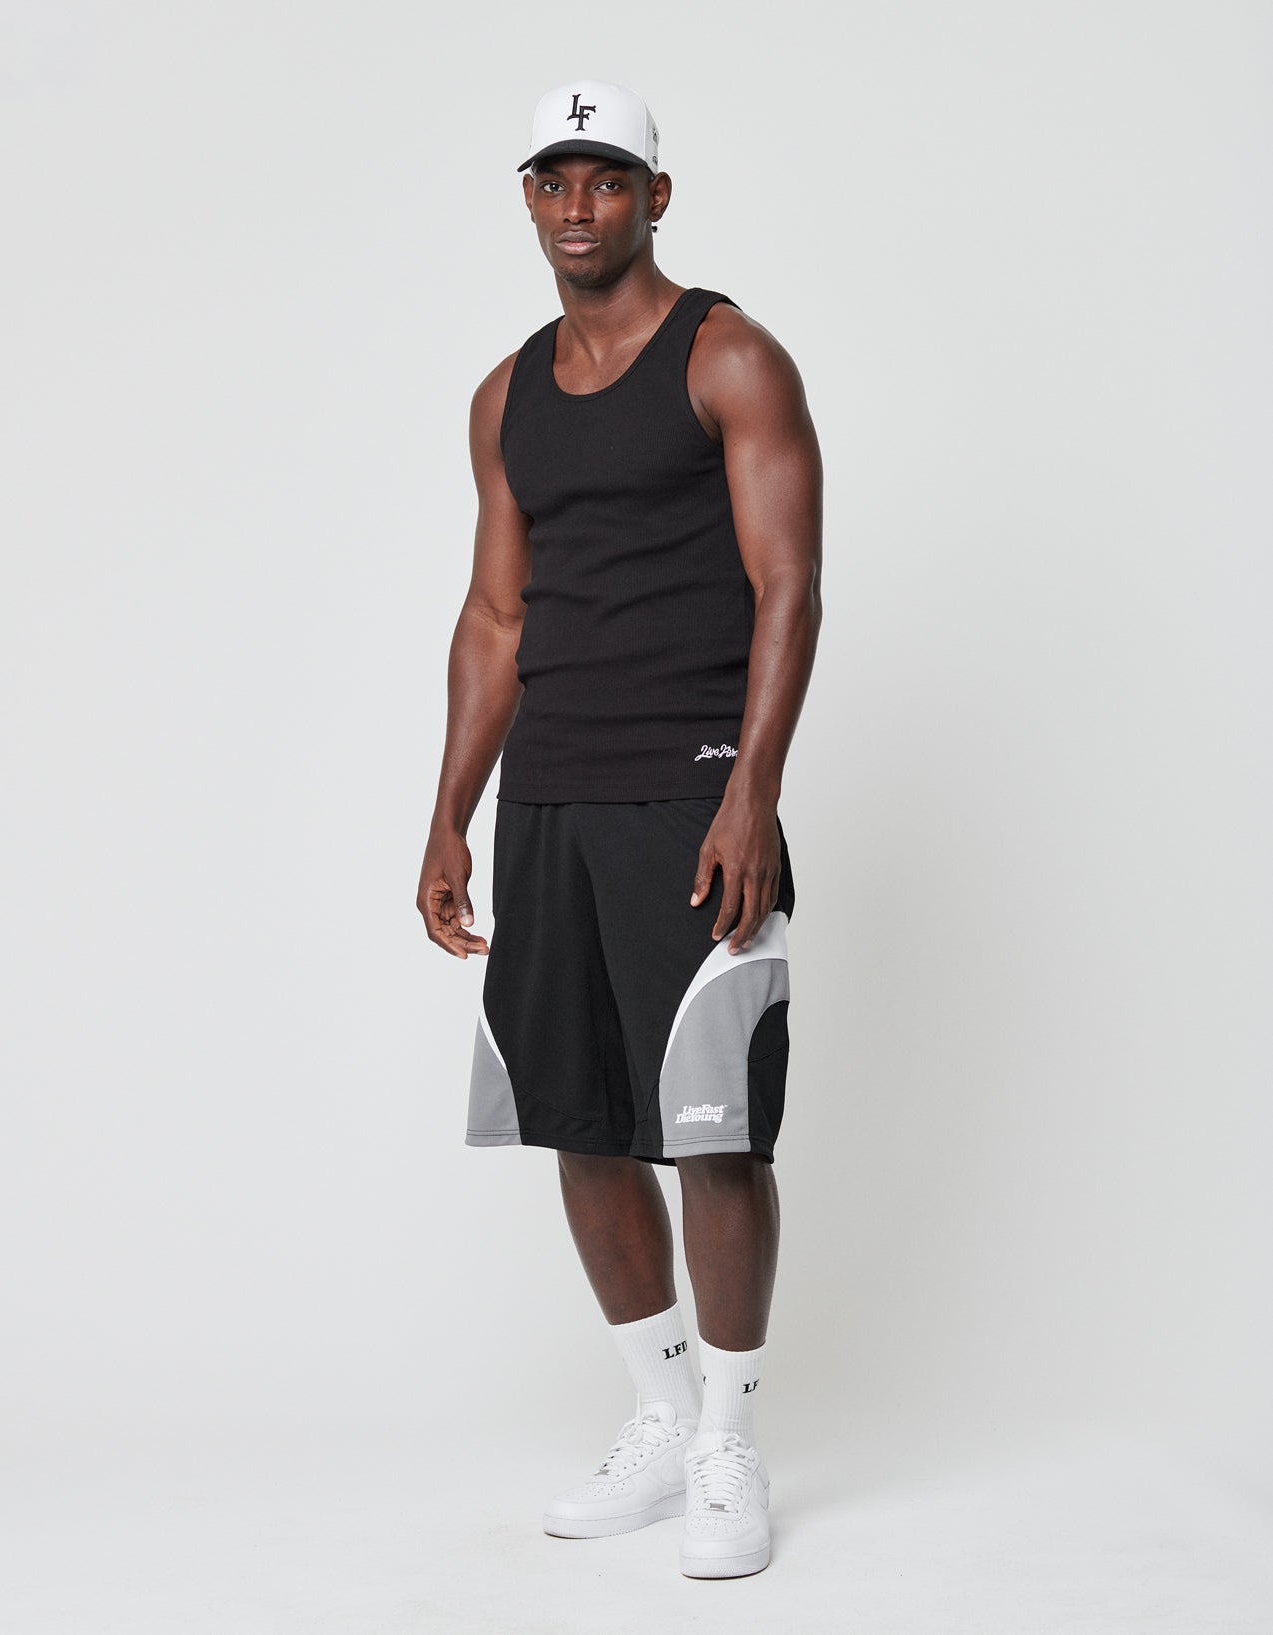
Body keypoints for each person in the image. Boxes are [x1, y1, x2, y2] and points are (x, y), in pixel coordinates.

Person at [417, 78, 823, 1579]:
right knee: (577, 1121)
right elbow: (495, 612)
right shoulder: (506, 391)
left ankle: (731, 1442)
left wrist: (751, 793)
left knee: (709, 1126)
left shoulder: (728, 357)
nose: (578, 205)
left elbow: (788, 586)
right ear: (529, 199)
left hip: (694, 788)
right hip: (552, 800)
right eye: (552, 180)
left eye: (607, 180)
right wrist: (450, 814)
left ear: (657, 197)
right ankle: (656, 1421)